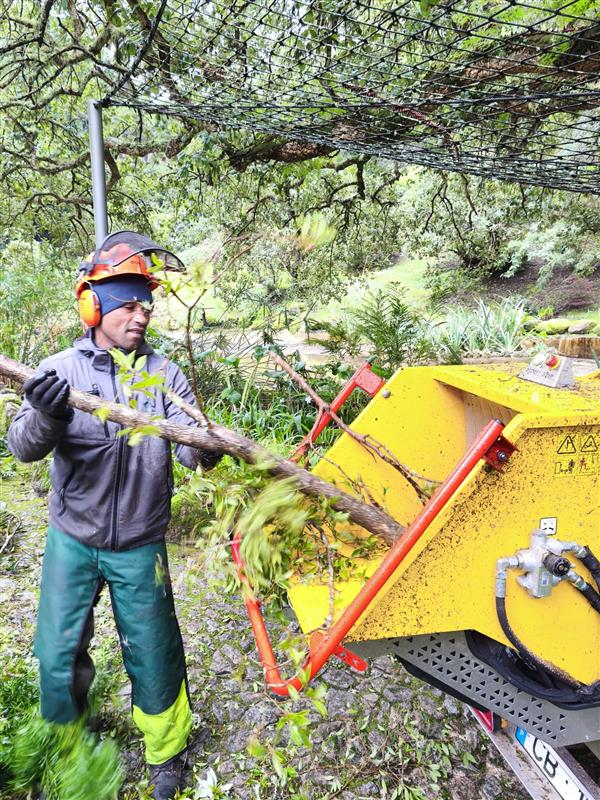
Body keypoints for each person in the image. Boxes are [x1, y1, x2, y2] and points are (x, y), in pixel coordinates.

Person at [7, 231, 220, 800]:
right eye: (128, 302)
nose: (142, 313)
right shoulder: (57, 371)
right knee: (56, 648)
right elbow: (23, 446)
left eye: (147, 302)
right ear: (92, 305)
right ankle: (67, 740)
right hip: (72, 537)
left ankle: (165, 751)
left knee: (153, 648)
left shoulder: (166, 376)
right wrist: (47, 416)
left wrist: (208, 445)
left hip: (140, 542)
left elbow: (191, 454)